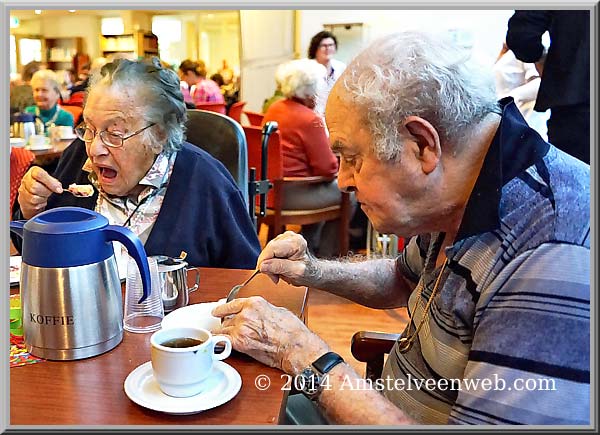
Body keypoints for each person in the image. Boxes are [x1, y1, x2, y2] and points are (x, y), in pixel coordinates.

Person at [211, 31, 590, 425]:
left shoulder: (550, 253)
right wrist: (313, 270)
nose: (343, 180)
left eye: (350, 157)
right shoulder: (459, 189)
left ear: (422, 144)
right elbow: (400, 278)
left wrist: (305, 356)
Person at [13, 57, 260, 269]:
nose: (94, 149)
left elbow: (245, 277)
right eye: (89, 128)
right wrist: (32, 213)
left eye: (115, 133)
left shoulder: (207, 183)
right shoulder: (77, 157)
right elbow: (34, 255)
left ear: (159, 135)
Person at [262, 58, 347, 257]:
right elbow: (327, 169)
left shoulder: (274, 109)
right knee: (348, 191)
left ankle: (310, 246)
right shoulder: (310, 119)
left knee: (330, 189)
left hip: (270, 192)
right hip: (296, 192)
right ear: (311, 91)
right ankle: (327, 257)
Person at [506, 10, 590, 163]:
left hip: (575, 104)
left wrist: (543, 60)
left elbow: (522, 36)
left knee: (576, 182)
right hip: (575, 102)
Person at [493, 41, 549, 140]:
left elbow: (539, 83)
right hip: (505, 121)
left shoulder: (525, 51)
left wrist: (509, 99)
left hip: (524, 121)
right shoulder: (508, 54)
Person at [307, 30, 346, 114]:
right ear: (315, 48)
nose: (328, 48)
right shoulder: (308, 69)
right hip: (313, 114)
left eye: (331, 45)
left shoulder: (341, 67)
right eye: (324, 45)